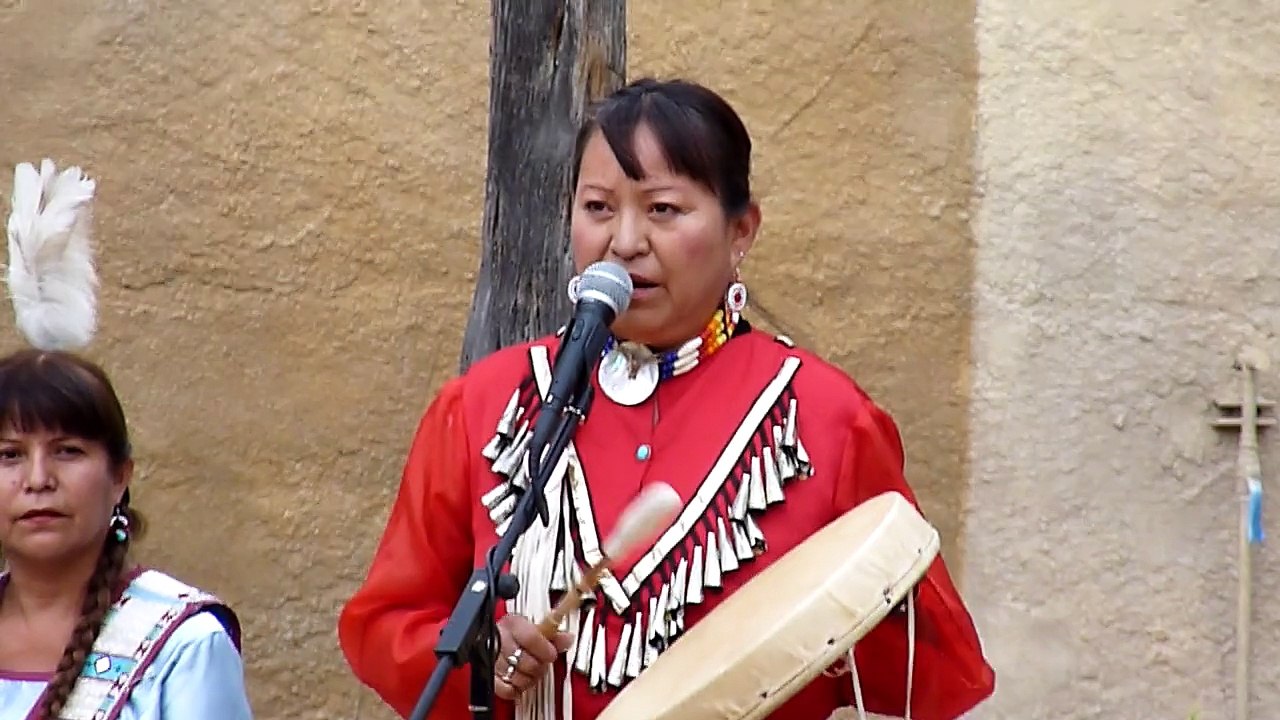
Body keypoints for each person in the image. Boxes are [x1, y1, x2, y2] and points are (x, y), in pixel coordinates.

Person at [338, 78, 996, 720]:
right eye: (599, 208)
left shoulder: (825, 421)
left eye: (663, 210)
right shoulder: (486, 406)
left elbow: (935, 671)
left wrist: (803, 632)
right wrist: (482, 658)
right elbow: (385, 624)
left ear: (741, 231)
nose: (625, 242)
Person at [0, 159, 254, 719]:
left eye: (67, 451)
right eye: (10, 456)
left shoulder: (182, 644)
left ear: (120, 477)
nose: (38, 480)